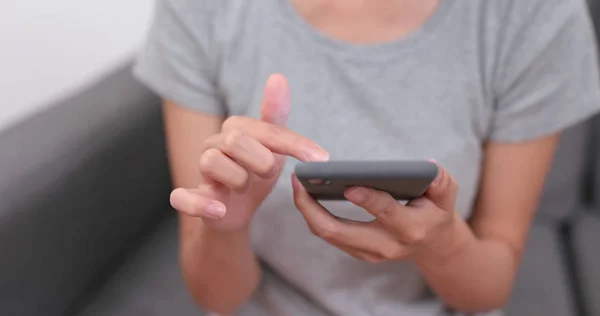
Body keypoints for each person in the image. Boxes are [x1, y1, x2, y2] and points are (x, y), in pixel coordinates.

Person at [133, 0, 600, 315]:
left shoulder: (535, 14)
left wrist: (443, 247)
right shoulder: (201, 10)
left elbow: (489, 287)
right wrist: (226, 228)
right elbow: (214, 295)